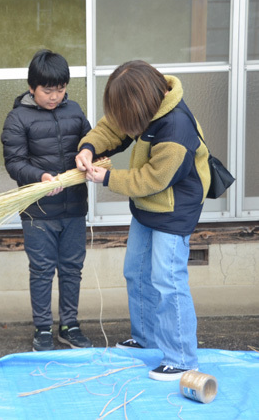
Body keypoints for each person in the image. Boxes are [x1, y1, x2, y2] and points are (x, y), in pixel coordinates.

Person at [76, 60, 211, 381]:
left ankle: (181, 357)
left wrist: (107, 178)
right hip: (148, 205)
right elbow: (112, 126)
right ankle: (147, 336)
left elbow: (153, 179)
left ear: (141, 104)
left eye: (126, 113)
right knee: (135, 271)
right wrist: (88, 146)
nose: (124, 121)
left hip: (175, 209)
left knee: (168, 279)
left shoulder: (176, 129)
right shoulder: (147, 105)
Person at [1, 50, 93, 351]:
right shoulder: (17, 118)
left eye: (60, 89)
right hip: (38, 211)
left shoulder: (75, 111)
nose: (54, 97)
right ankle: (42, 328)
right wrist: (40, 177)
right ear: (32, 87)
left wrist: (91, 153)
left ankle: (70, 324)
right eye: (47, 90)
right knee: (41, 270)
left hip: (74, 206)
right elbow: (14, 163)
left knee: (71, 268)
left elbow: (92, 142)